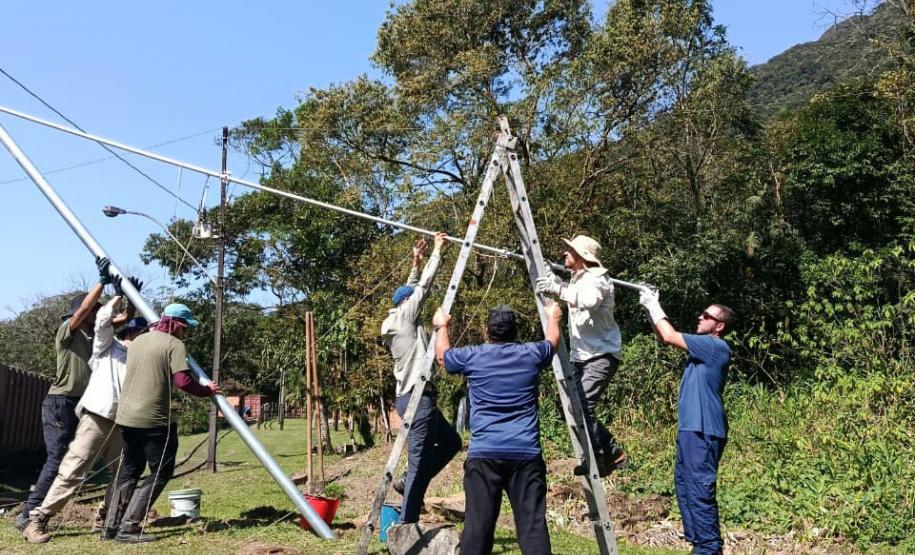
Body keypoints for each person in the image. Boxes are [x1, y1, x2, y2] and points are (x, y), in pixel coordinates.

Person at [23, 275, 147, 543]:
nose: (140, 335)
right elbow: (101, 319)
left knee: (125, 471)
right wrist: (108, 288)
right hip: (79, 407)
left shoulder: (123, 352)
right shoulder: (100, 343)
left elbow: (120, 319)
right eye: (137, 332)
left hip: (117, 420)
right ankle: (36, 518)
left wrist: (131, 301)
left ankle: (107, 520)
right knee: (67, 466)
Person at [434, 302, 561, 555]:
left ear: (486, 331)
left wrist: (441, 326)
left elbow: (442, 357)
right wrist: (553, 317)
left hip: (484, 456)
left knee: (477, 529)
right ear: (516, 331)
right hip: (525, 455)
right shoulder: (531, 354)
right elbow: (553, 342)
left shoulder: (473, 356)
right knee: (532, 528)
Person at [102, 303, 220, 543]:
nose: (184, 333)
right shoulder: (175, 345)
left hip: (126, 417)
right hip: (153, 420)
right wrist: (207, 390)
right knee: (161, 471)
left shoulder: (139, 341)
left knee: (130, 470)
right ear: (176, 324)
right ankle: (129, 526)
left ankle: (110, 527)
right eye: (185, 327)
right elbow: (183, 381)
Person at [16, 257, 111, 531]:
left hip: (79, 404)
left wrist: (124, 298)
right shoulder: (67, 332)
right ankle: (29, 512)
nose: (96, 316)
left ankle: (43, 509)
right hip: (60, 402)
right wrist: (101, 283)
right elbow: (83, 311)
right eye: (94, 312)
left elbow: (115, 319)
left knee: (78, 457)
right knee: (58, 456)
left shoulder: (93, 339)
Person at [639, 288, 733, 555]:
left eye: (707, 315)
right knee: (685, 488)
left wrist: (655, 306)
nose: (700, 317)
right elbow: (663, 335)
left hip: (703, 430)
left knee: (698, 490)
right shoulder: (700, 351)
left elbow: (669, 335)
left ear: (719, 326)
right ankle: (700, 546)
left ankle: (708, 548)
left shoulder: (715, 346)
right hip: (691, 430)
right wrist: (650, 310)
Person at [380, 232, 461, 524]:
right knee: (418, 462)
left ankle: (406, 488)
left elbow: (412, 287)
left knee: (451, 442)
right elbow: (422, 288)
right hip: (417, 398)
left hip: (413, 398)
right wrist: (438, 251)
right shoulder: (404, 319)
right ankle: (407, 521)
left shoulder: (398, 319)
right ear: (407, 304)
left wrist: (416, 261)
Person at [535, 234, 625, 476]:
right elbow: (571, 288)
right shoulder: (578, 277)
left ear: (582, 257)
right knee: (567, 405)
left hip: (601, 354)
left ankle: (608, 453)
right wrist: (553, 275)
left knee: (584, 404)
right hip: (582, 355)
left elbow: (588, 300)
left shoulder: (598, 279)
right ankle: (601, 456)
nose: (565, 254)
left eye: (569, 252)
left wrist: (557, 288)